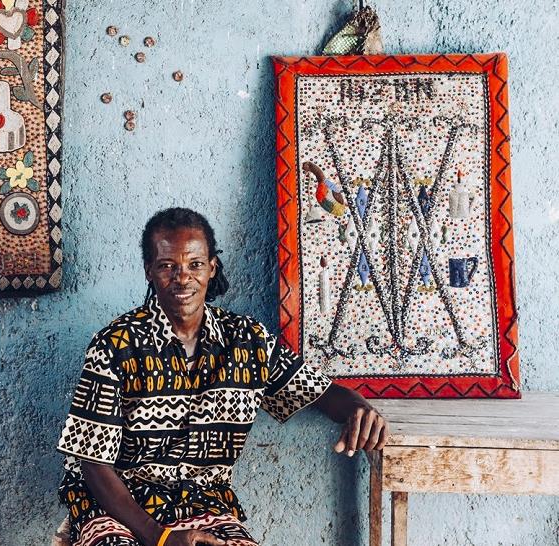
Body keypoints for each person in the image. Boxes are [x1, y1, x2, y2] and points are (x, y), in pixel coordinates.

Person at [56, 208, 387, 546]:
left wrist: (358, 407)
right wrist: (162, 538)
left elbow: (320, 393)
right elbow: (93, 464)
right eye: (168, 266)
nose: (183, 278)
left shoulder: (247, 341)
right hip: (117, 509)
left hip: (205, 505)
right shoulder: (115, 346)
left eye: (195, 265)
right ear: (149, 273)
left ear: (212, 268)